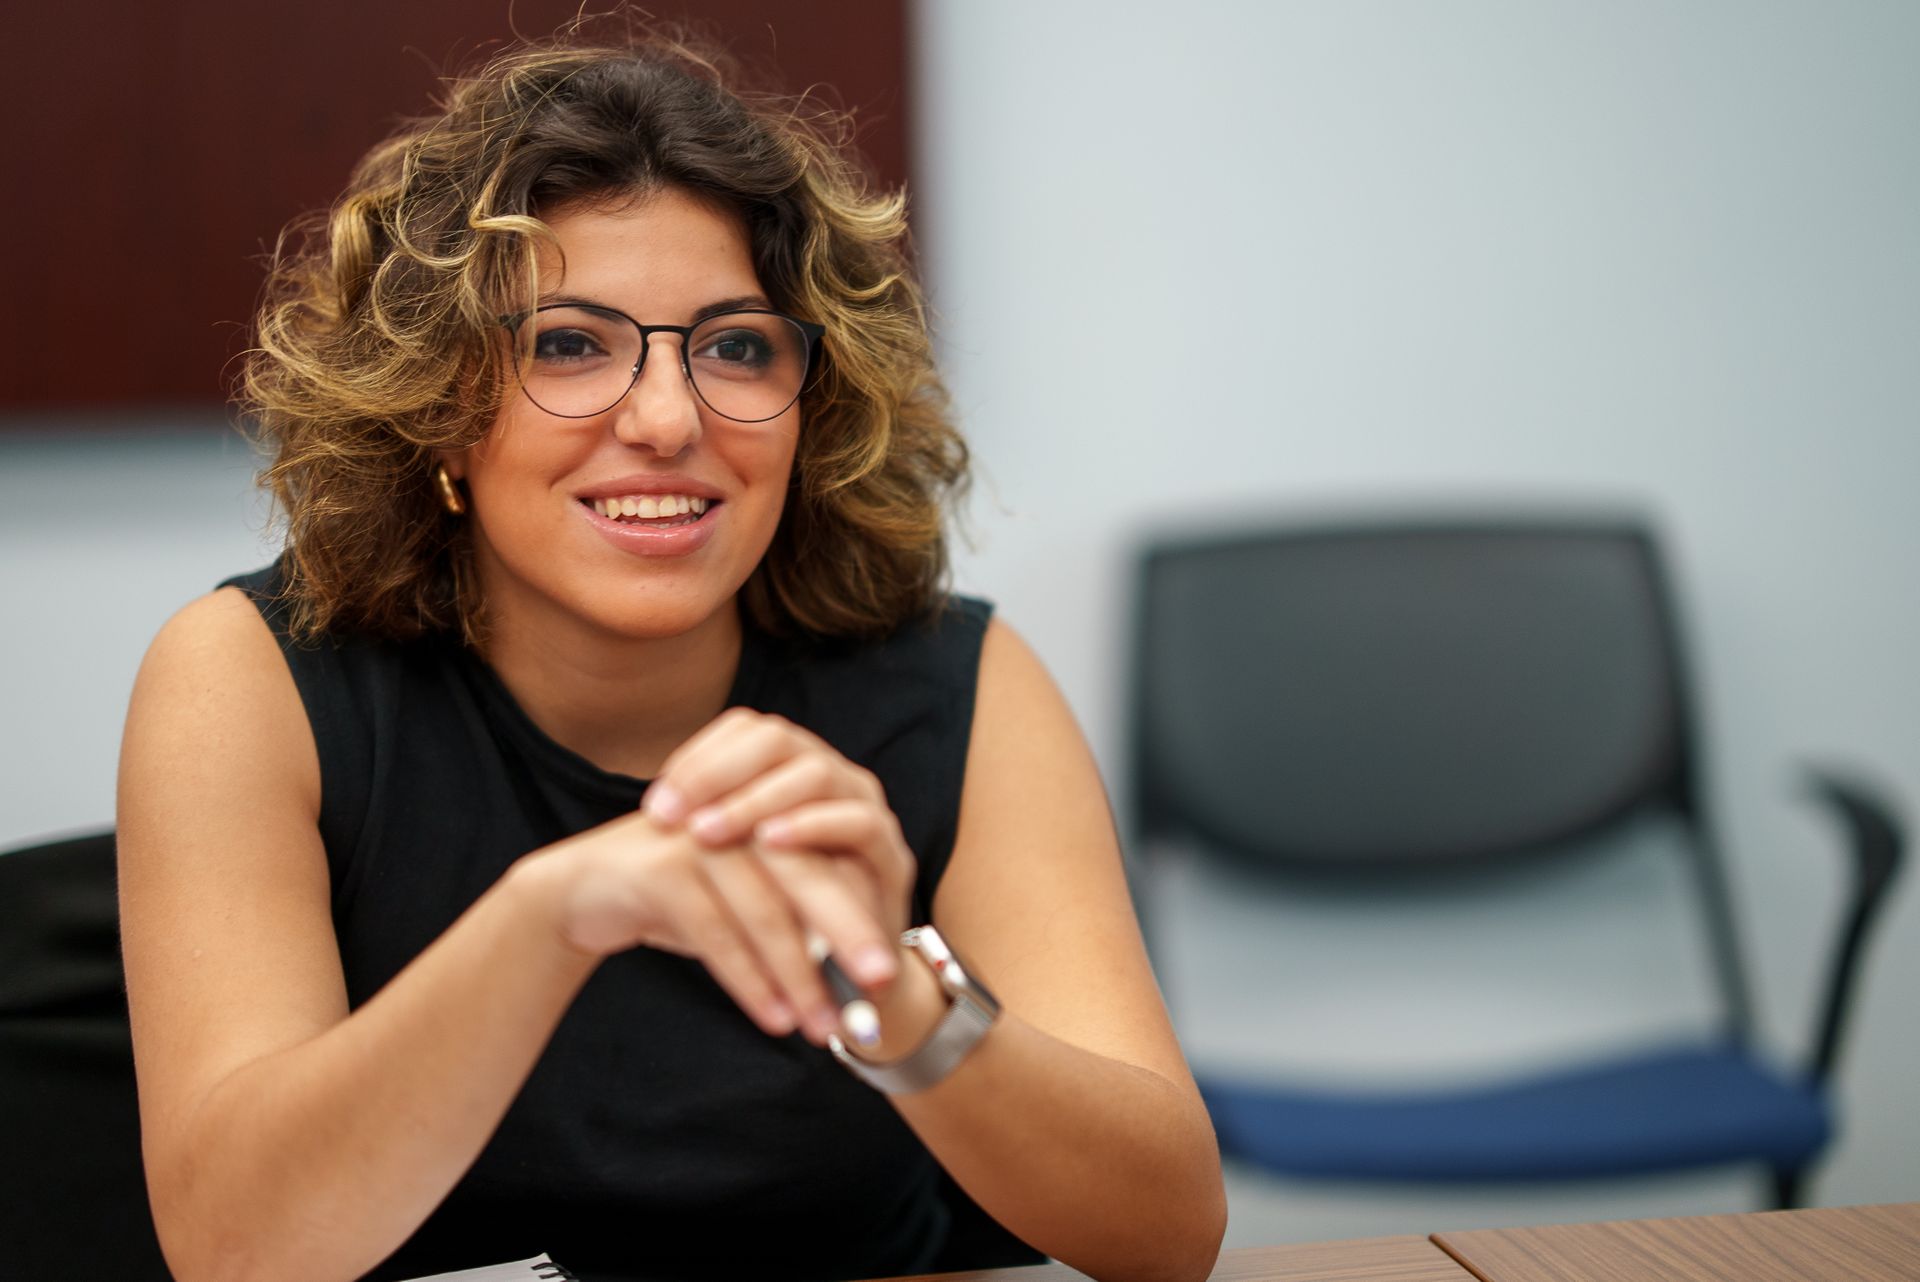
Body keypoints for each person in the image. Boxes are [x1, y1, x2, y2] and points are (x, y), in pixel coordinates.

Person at [116, 26, 1226, 1282]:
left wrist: (897, 1000)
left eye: (737, 345)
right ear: (436, 404)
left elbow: (1169, 1229)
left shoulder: (951, 681)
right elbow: (234, 1252)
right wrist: (558, 913)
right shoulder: (249, 679)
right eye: (569, 345)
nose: (667, 419)